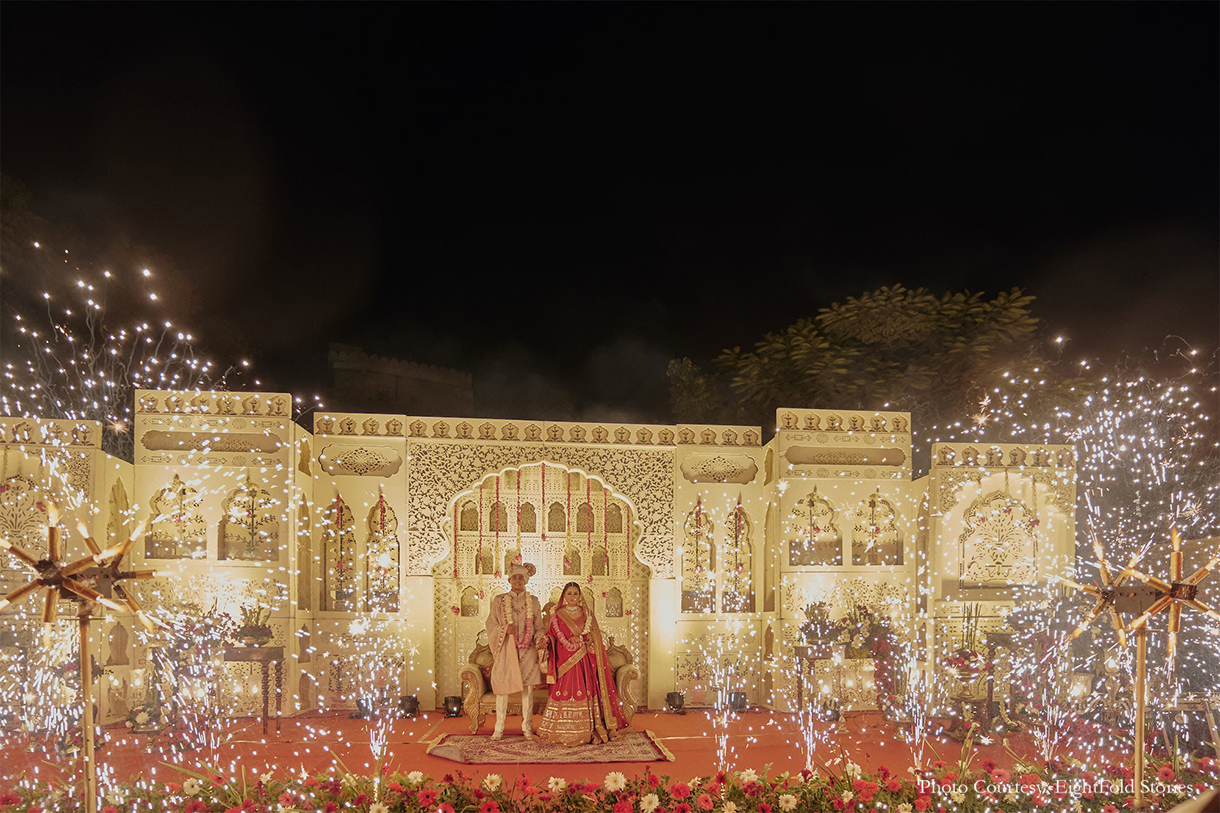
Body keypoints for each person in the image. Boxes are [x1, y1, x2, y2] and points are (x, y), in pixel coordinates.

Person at [536, 582, 629, 746]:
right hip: (563, 661)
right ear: (564, 596)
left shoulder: (587, 614)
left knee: (584, 691)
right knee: (563, 691)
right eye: (569, 593)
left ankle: (587, 729)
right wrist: (545, 640)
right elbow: (552, 635)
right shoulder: (557, 614)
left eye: (575, 593)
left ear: (580, 596)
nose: (572, 597)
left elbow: (595, 636)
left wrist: (581, 638)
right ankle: (560, 730)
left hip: (583, 660)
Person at [485, 559, 545, 740]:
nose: (518, 580)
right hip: (506, 649)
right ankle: (499, 729)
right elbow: (491, 624)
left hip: (528, 651)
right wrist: (504, 629)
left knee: (527, 691)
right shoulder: (499, 601)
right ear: (509, 580)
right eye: (514, 577)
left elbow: (539, 627)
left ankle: (527, 728)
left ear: (526, 580)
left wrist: (540, 639)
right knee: (503, 689)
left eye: (521, 577)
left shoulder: (534, 601)